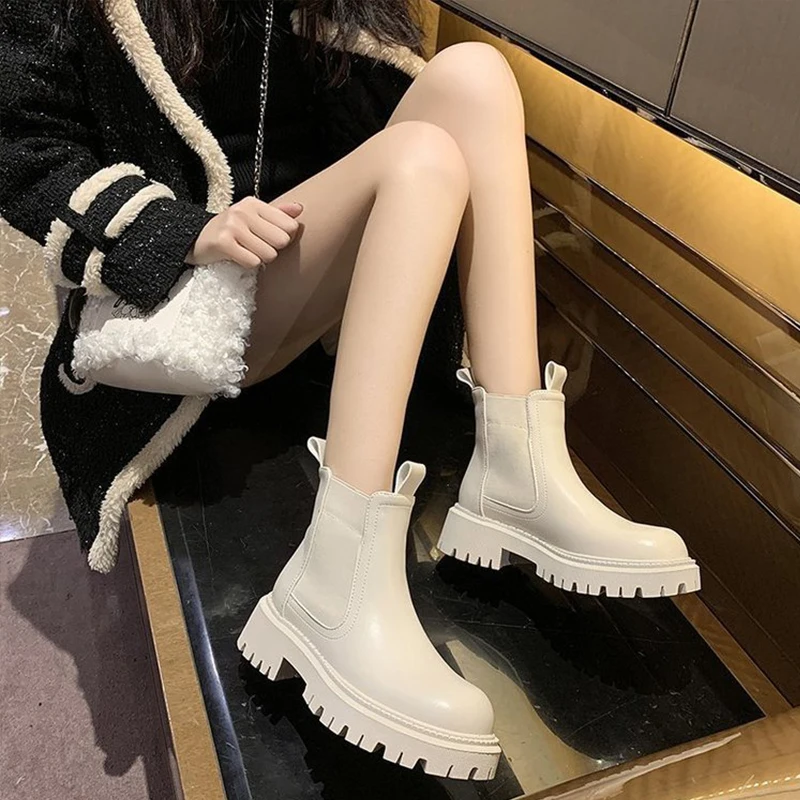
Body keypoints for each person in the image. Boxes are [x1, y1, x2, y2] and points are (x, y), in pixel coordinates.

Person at [0, 0, 699, 779]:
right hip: (177, 304)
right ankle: (332, 580)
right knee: (419, 157)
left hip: (299, 278)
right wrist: (179, 231)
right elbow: (24, 151)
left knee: (476, 77)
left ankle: (518, 468)